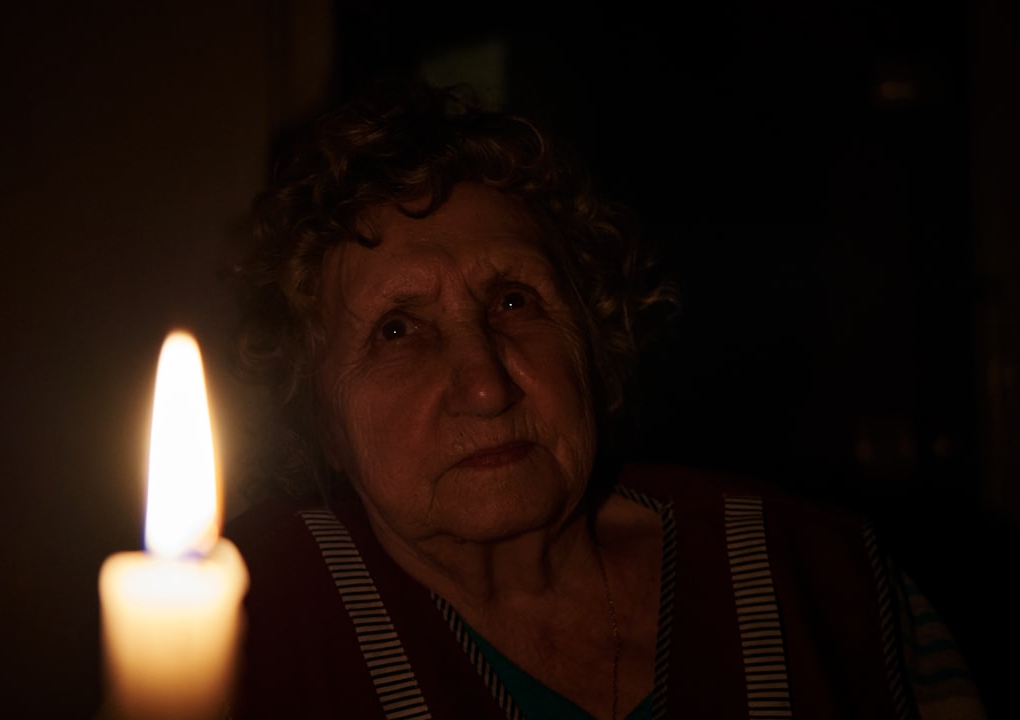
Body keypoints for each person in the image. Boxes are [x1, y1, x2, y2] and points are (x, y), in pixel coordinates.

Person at [223, 78, 985, 719]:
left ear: (593, 334)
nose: (487, 386)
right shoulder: (234, 627)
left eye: (516, 302)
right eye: (397, 330)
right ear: (314, 415)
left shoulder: (823, 577)